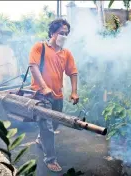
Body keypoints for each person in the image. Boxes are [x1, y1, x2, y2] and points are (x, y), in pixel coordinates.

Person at [28, 18, 79, 172]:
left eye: (66, 33)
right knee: (47, 128)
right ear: (52, 33)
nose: (64, 36)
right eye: (60, 33)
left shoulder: (66, 53)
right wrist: (43, 87)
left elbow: (73, 72)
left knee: (55, 122)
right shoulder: (40, 47)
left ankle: (40, 139)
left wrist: (74, 92)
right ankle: (50, 160)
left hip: (57, 95)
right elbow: (33, 67)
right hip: (41, 94)